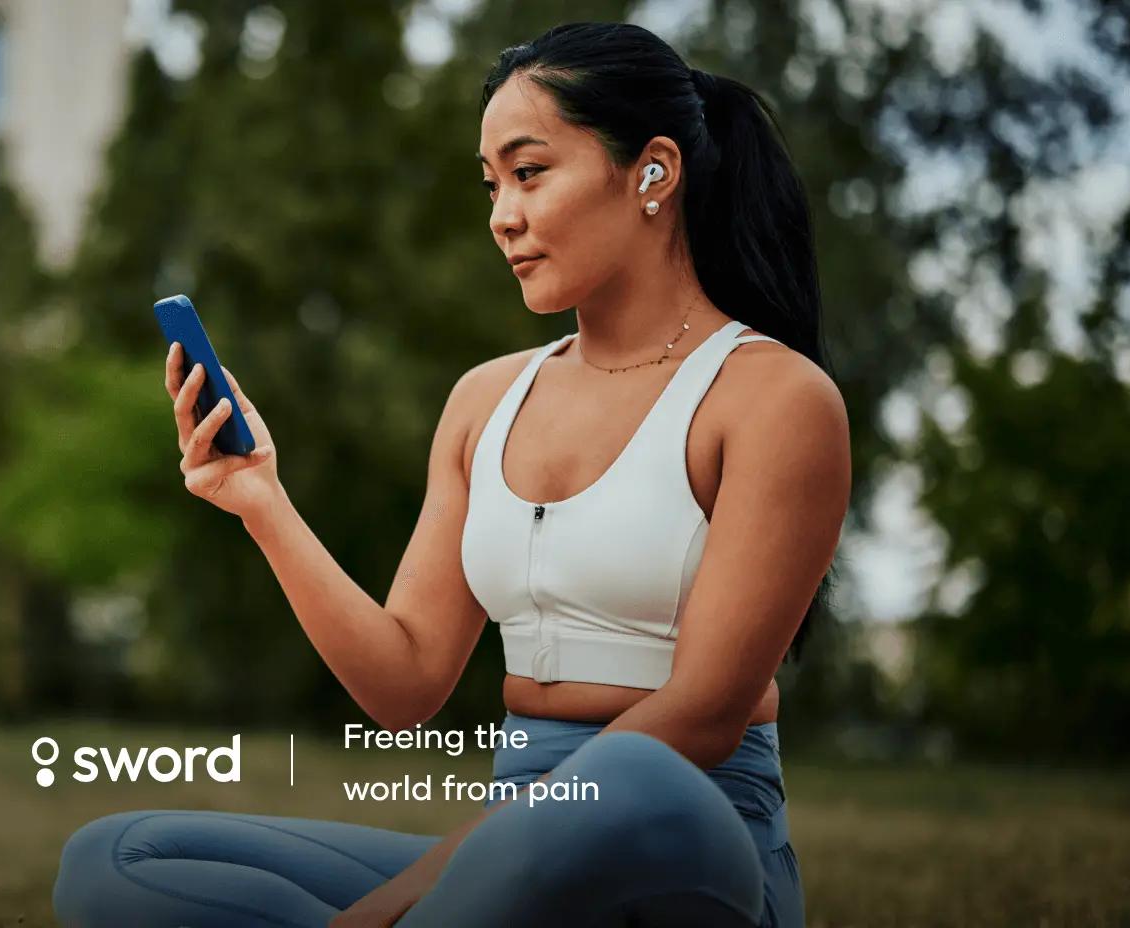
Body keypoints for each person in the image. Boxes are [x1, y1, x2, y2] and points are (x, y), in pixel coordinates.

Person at [52, 20, 849, 928]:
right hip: (493, 859)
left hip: (685, 837)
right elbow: (404, 686)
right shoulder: (486, 399)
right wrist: (262, 502)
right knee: (115, 858)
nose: (501, 215)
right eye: (492, 183)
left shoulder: (775, 398)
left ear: (653, 172)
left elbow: (703, 717)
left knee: (629, 777)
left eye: (531, 171)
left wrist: (394, 903)